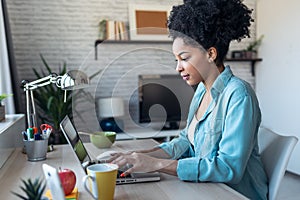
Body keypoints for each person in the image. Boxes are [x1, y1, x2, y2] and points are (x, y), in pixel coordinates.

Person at [110, 0, 268, 199]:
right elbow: (186, 142)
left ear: (211, 54)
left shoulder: (239, 95)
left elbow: (229, 168)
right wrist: (141, 156)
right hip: (206, 189)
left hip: (233, 194)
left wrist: (157, 165)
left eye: (184, 58)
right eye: (176, 60)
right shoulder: (201, 91)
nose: (178, 67)